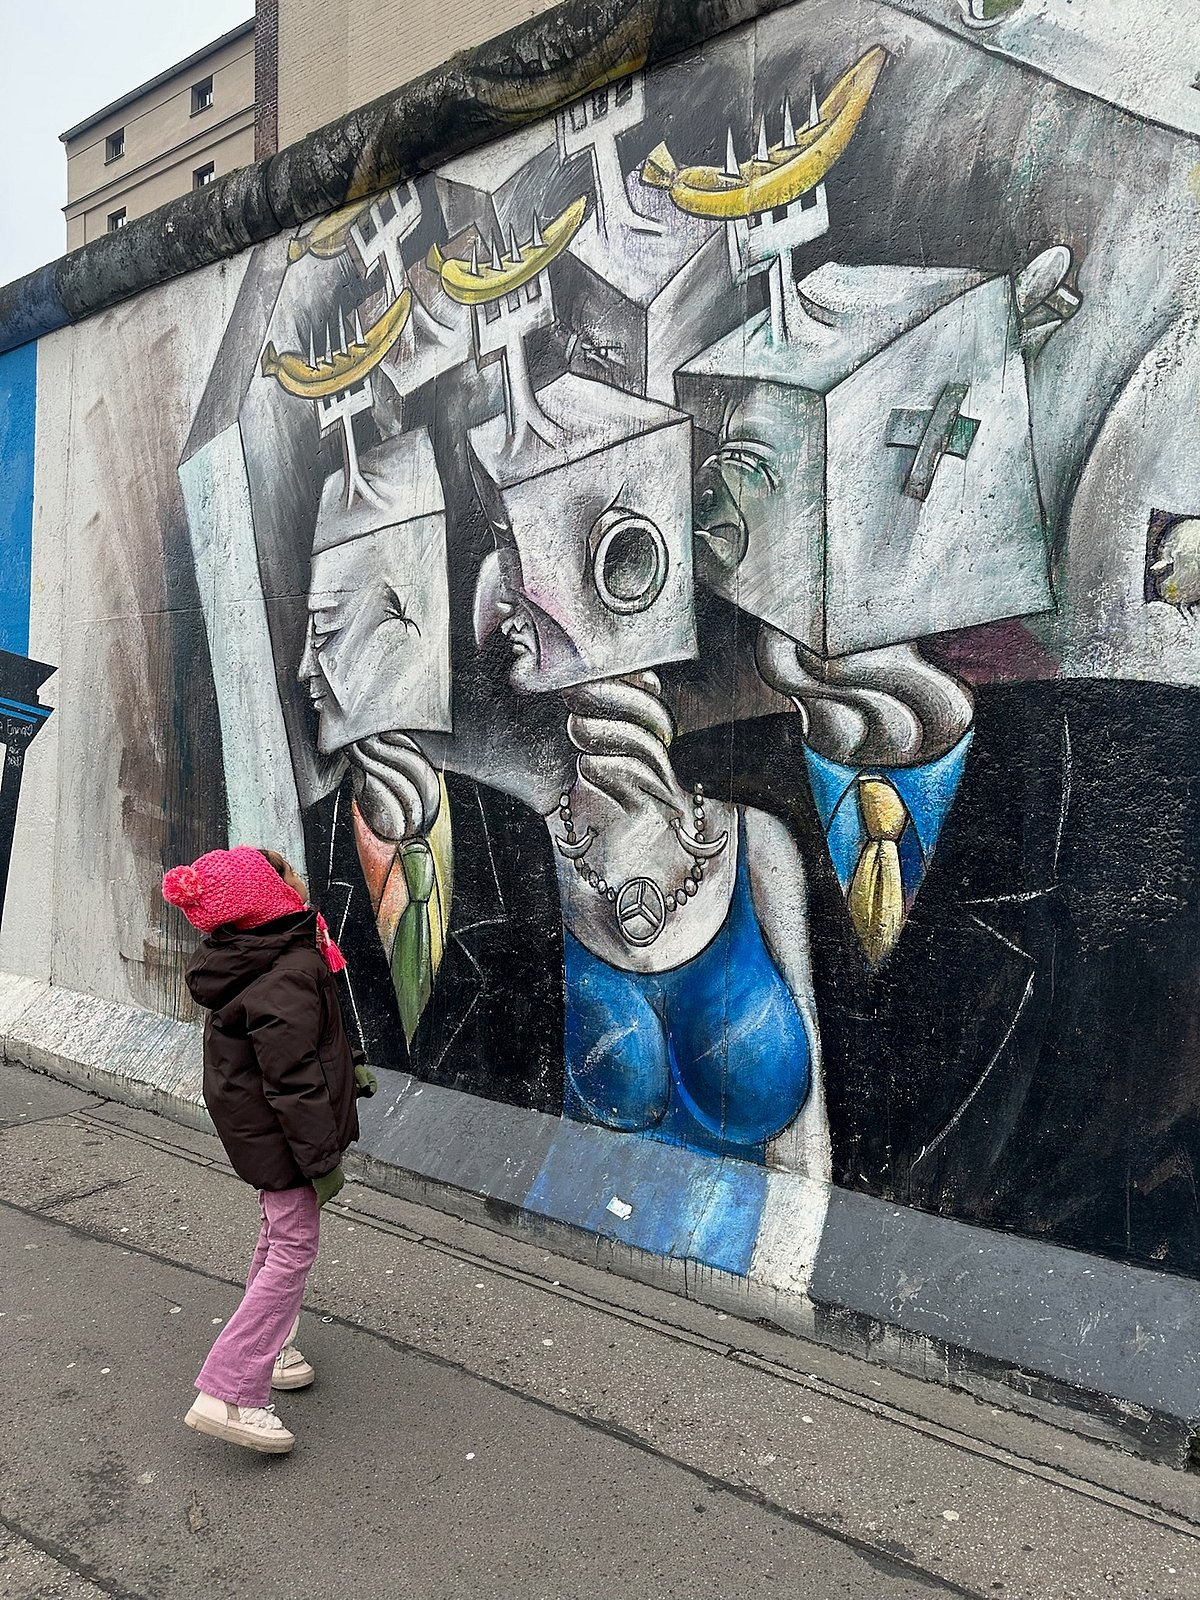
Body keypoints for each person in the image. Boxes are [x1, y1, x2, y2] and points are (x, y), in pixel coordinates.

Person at [161, 844, 375, 1455]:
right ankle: (230, 1389)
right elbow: (293, 1080)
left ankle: (271, 1347)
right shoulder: (283, 971)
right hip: (281, 1139)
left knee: (278, 1238)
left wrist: (352, 1066)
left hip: (262, 1131)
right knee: (294, 1246)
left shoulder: (266, 954)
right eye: (287, 875)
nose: (301, 880)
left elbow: (317, 1043)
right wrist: (322, 1163)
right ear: (267, 898)